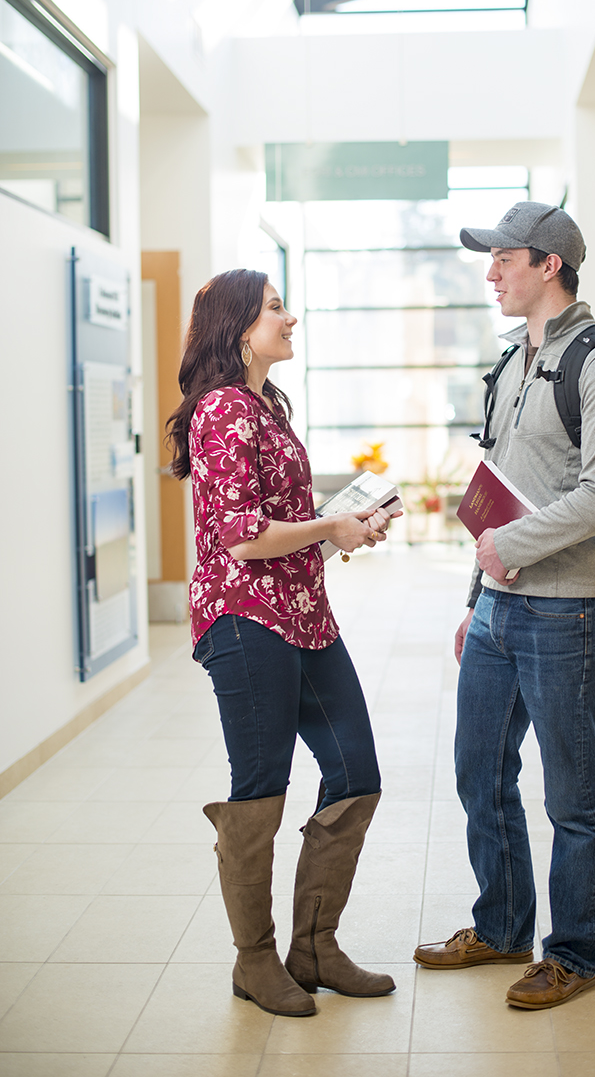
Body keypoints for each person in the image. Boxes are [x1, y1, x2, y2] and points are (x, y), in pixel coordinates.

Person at [413, 202, 595, 1009]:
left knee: (573, 798)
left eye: (503, 259)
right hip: (499, 612)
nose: (490, 274)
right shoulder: (511, 360)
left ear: (549, 265)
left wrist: (507, 553)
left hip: (570, 614)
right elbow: (502, 495)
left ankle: (571, 956)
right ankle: (503, 925)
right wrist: (476, 597)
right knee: (479, 773)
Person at [167, 268, 399, 1018]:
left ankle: (315, 947)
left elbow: (275, 534)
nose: (290, 318)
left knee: (355, 771)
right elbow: (240, 541)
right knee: (260, 788)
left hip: (302, 614)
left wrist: (341, 530)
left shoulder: (266, 406)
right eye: (274, 308)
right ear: (237, 326)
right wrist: (329, 527)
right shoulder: (223, 412)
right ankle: (256, 960)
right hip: (243, 621)